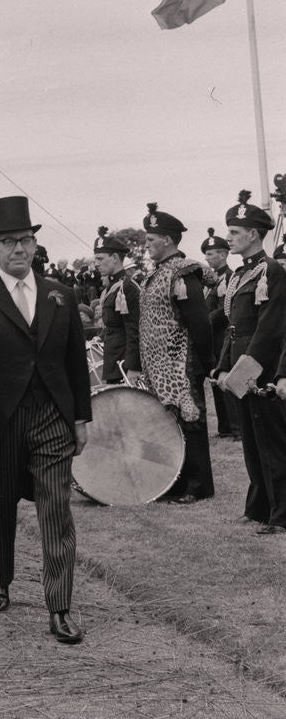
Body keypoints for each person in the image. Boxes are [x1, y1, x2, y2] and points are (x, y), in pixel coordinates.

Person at [0, 196, 92, 645]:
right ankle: (0, 577)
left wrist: (81, 417)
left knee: (56, 511)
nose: (18, 249)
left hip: (51, 417)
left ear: (34, 245)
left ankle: (60, 606)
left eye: (25, 240)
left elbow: (74, 363)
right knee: (0, 508)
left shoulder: (60, 296)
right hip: (0, 423)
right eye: (8, 241)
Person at [215, 192, 285, 534]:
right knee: (252, 444)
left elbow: (270, 327)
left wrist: (244, 370)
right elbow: (233, 326)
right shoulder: (241, 274)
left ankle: (281, 516)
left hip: (261, 371)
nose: (229, 238)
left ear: (254, 234)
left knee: (272, 445)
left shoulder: (271, 271)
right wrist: (223, 367)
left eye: (234, 232)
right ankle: (257, 509)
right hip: (241, 369)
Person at [138, 203, 215, 505]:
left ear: (167, 240)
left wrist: (204, 362)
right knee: (170, 424)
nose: (146, 247)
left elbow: (200, 322)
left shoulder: (183, 273)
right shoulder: (157, 273)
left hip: (180, 361)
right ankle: (176, 480)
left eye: (150, 240)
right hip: (159, 366)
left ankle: (198, 485)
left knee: (190, 420)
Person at [201, 228, 239, 440]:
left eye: (210, 254)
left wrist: (203, 322)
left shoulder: (229, 278)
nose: (207, 258)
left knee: (226, 381)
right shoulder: (212, 280)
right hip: (211, 339)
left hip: (222, 337)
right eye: (206, 254)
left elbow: (224, 310)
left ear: (223, 255)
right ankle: (224, 426)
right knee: (215, 381)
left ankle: (236, 428)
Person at [92, 227, 141, 385]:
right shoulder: (110, 287)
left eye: (100, 259)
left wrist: (133, 366)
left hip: (124, 362)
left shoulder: (128, 287)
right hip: (113, 357)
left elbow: (134, 330)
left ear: (114, 257)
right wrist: (99, 337)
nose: (96, 264)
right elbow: (112, 325)